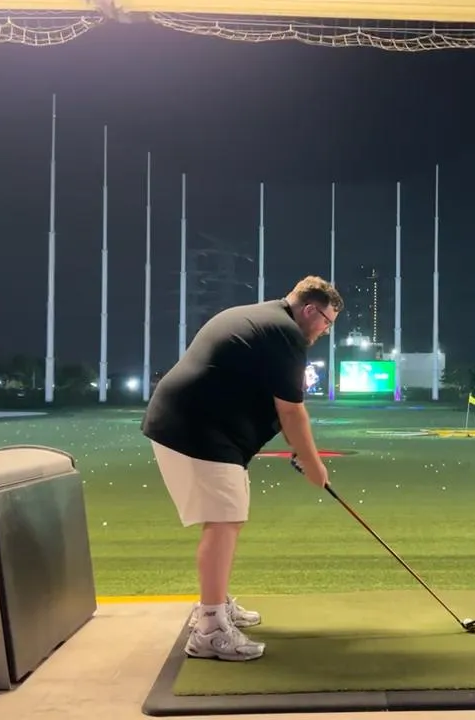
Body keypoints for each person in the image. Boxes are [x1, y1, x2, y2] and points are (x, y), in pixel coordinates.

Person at [141, 276, 343, 661]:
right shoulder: (286, 333)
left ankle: (215, 604)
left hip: (195, 425)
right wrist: (313, 463)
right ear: (310, 310)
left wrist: (301, 452)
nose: (325, 331)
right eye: (327, 322)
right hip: (195, 430)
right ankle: (210, 628)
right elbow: (291, 411)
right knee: (224, 519)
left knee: (228, 518)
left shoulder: (266, 320)